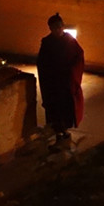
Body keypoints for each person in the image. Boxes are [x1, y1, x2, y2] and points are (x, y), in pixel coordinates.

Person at [37, 13, 85, 145]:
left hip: (65, 82)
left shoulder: (70, 41)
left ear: (62, 27)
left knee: (65, 108)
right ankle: (58, 132)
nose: (57, 30)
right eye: (54, 28)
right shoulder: (47, 42)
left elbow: (79, 57)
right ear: (50, 29)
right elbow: (42, 62)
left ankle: (64, 131)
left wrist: (72, 73)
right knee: (54, 110)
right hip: (52, 83)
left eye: (59, 27)